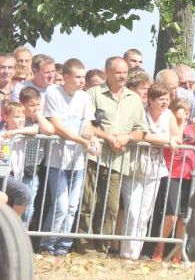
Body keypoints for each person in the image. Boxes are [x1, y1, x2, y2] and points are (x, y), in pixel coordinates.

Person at [74, 56, 147, 255]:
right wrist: (108, 137)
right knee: (88, 202)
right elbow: (86, 126)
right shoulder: (93, 94)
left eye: (124, 72)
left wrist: (126, 137)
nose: (123, 76)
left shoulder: (134, 99)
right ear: (107, 73)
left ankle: (103, 248)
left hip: (119, 160)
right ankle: (85, 247)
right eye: (118, 72)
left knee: (112, 207)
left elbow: (142, 130)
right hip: (94, 157)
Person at [40, 58, 97, 256]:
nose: (82, 80)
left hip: (78, 162)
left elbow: (87, 126)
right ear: (66, 77)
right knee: (60, 206)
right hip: (57, 160)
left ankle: (62, 248)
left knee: (72, 207)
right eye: (78, 77)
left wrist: (92, 140)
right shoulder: (53, 93)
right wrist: (82, 141)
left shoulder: (85, 98)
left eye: (83, 76)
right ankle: (47, 245)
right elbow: (56, 126)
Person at [119, 83, 179, 260]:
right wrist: (166, 140)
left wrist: (169, 139)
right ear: (151, 100)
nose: (165, 103)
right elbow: (142, 135)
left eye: (167, 99)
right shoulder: (141, 113)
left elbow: (177, 136)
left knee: (144, 213)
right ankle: (126, 252)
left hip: (155, 169)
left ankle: (134, 254)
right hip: (134, 168)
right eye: (161, 99)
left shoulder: (168, 115)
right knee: (132, 212)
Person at [152, 98, 195, 263]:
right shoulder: (169, 127)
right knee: (172, 216)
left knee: (184, 218)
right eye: (181, 110)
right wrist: (181, 122)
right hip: (172, 174)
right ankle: (159, 250)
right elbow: (177, 139)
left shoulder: (193, 128)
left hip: (190, 176)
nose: (185, 114)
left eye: (188, 111)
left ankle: (177, 255)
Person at [16, 87, 55, 226]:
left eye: (38, 104)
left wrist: (38, 115)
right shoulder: (18, 118)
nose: (36, 108)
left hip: (31, 170)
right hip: (15, 169)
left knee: (28, 207)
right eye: (32, 105)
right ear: (22, 105)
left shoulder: (39, 120)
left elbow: (50, 130)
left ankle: (22, 235)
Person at [0, 101, 32, 216]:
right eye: (17, 117)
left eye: (23, 116)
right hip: (3, 175)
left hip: (16, 175)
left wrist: (15, 132)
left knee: (8, 206)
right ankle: (13, 225)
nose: (21, 119)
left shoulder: (22, 133)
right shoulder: (1, 133)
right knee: (24, 192)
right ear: (5, 117)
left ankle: (8, 228)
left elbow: (36, 130)